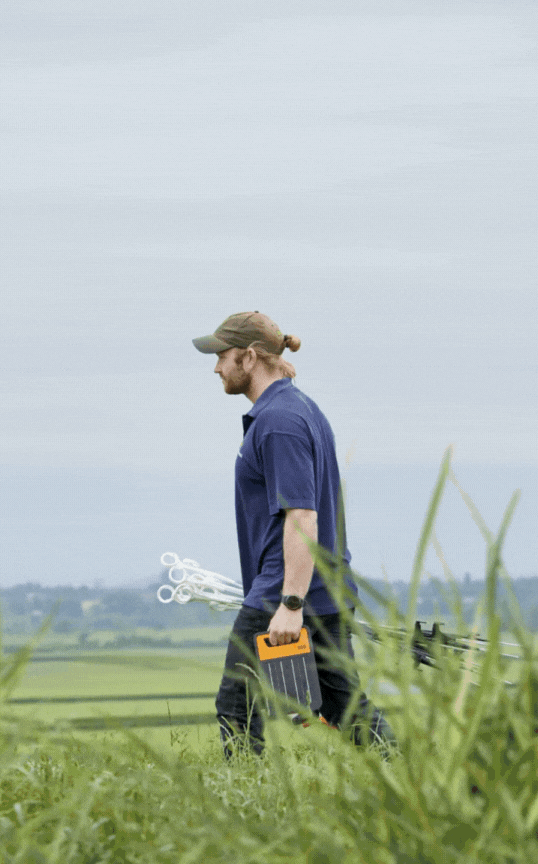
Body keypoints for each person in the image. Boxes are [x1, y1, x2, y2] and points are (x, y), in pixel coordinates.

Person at [192, 310, 393, 755]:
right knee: (346, 709)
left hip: (285, 589)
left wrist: (289, 604)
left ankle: (245, 809)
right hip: (321, 586)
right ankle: (414, 789)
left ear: (249, 356)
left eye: (222, 355)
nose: (215, 366)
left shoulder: (279, 422)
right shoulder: (296, 408)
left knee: (236, 703)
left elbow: (302, 516)